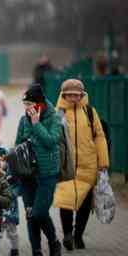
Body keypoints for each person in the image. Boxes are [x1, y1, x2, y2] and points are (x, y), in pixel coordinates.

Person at [55, 79, 109, 250]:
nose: (73, 97)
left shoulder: (90, 113)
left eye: (76, 94)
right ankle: (67, 235)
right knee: (66, 202)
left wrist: (103, 162)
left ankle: (78, 236)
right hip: (66, 167)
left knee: (85, 205)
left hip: (88, 165)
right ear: (64, 95)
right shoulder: (58, 114)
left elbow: (99, 137)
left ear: (82, 95)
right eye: (69, 94)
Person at [15, 84, 62, 256]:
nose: (26, 108)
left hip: (47, 175)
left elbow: (52, 141)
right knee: (30, 214)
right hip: (28, 175)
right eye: (25, 104)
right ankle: (36, 250)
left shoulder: (54, 118)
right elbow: (18, 144)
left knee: (40, 213)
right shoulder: (23, 119)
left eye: (29, 104)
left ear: (39, 104)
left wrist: (36, 124)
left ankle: (53, 242)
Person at [0, 147, 21, 256]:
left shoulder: (12, 175)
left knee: (12, 232)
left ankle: (15, 249)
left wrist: (12, 194)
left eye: (2, 160)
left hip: (10, 209)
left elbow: (17, 187)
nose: (0, 163)